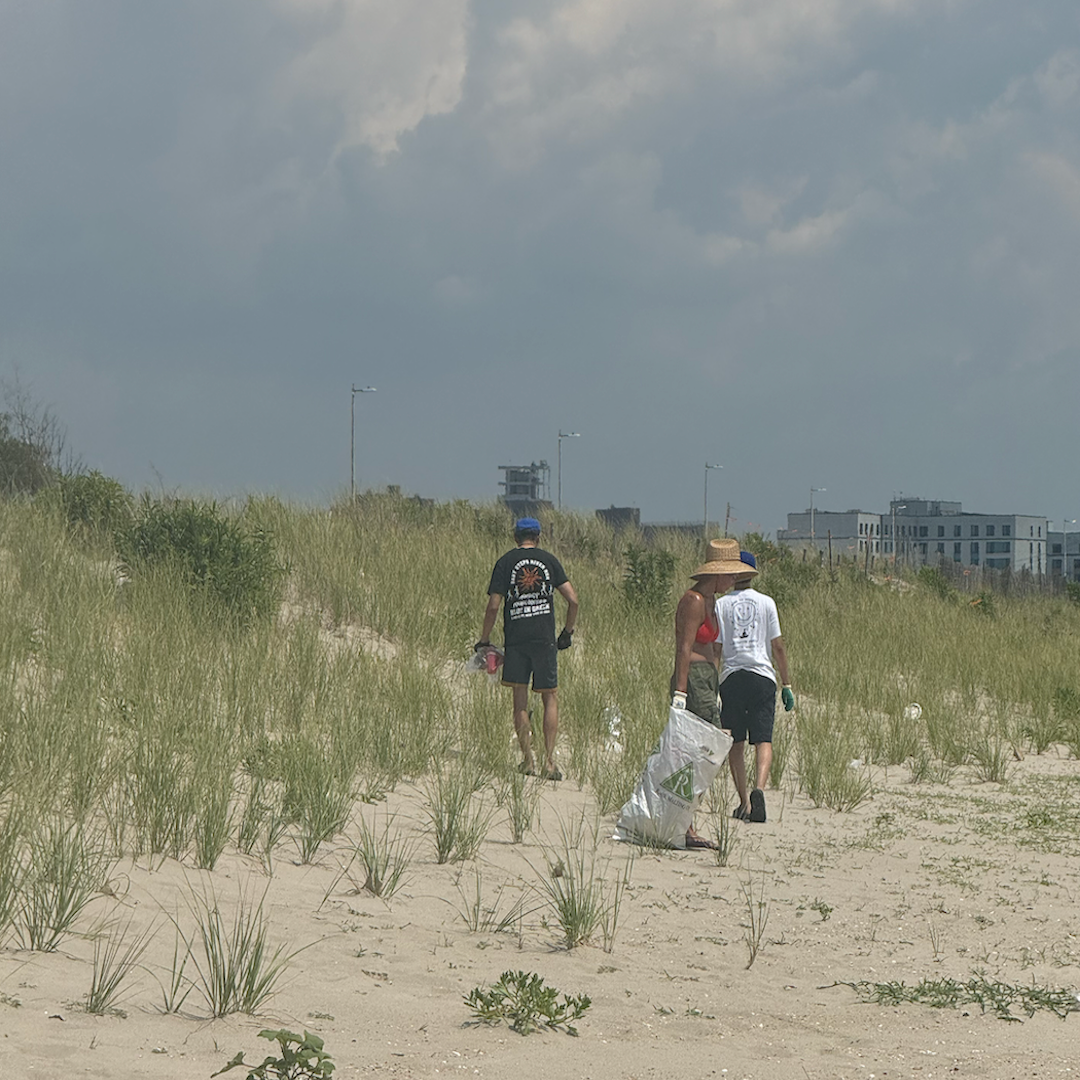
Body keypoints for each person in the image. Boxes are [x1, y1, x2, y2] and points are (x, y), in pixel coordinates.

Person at [476, 517, 579, 780]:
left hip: (517, 637)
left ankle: (528, 760)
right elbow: (573, 599)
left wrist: (484, 638)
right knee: (550, 697)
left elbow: (494, 606)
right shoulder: (549, 560)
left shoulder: (505, 562)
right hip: (544, 637)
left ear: (515, 537)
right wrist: (567, 632)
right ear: (539, 537)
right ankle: (549, 761)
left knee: (520, 699)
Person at [671, 538, 750, 848]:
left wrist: (715, 686)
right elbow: (684, 646)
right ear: (716, 573)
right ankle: (684, 825)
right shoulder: (693, 600)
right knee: (701, 751)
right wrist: (680, 690)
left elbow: (714, 649)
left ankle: (685, 822)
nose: (732, 580)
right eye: (729, 574)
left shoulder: (712, 602)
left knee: (709, 751)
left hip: (707, 680)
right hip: (692, 678)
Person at [717, 551, 795, 824]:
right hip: (763, 676)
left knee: (735, 742)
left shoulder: (721, 604)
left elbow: (717, 647)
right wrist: (786, 683)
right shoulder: (767, 603)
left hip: (733, 676)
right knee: (763, 739)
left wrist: (714, 680)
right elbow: (778, 646)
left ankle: (744, 802)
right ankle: (759, 789)